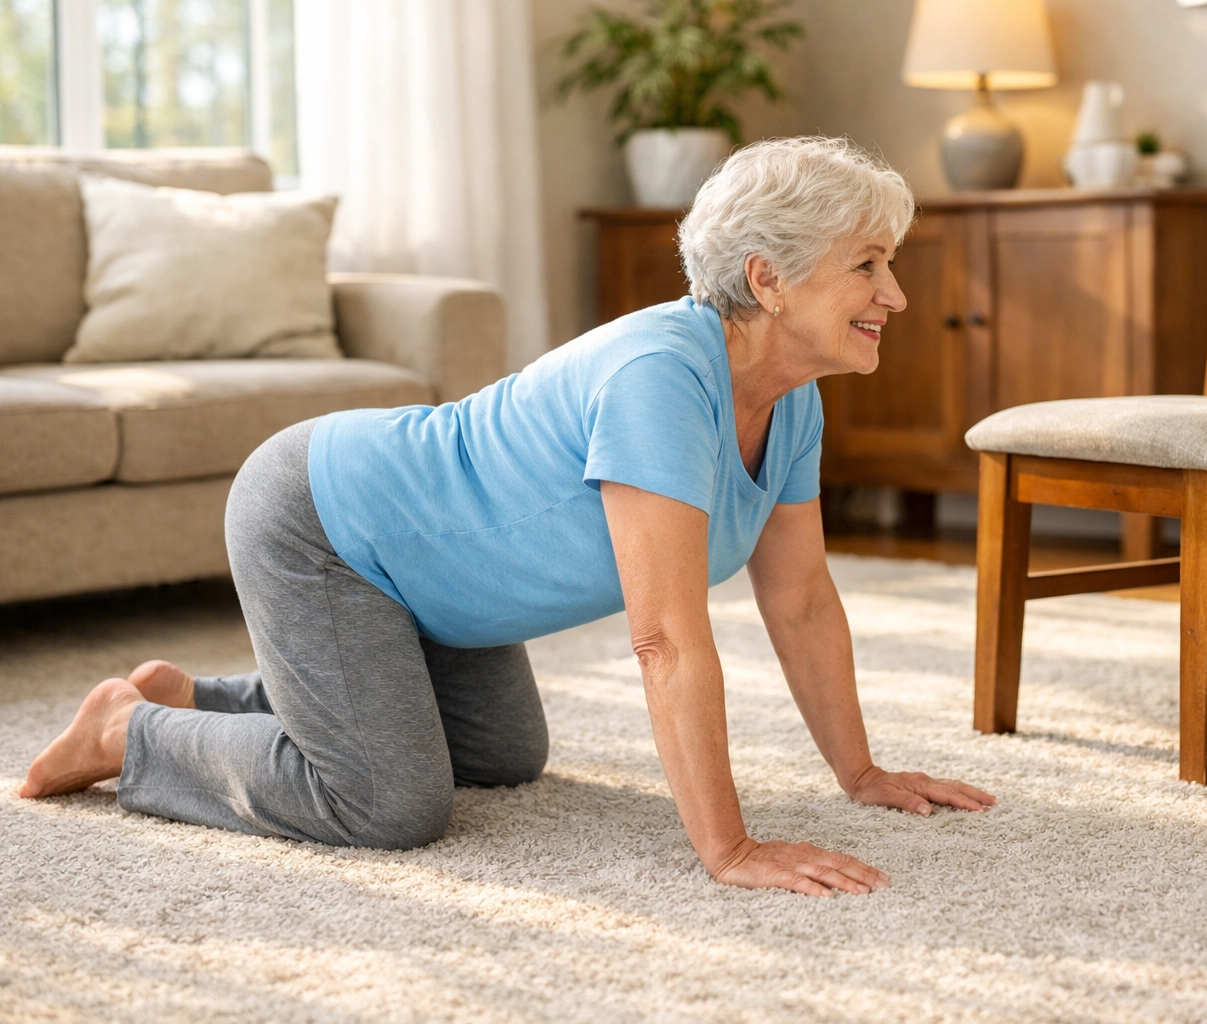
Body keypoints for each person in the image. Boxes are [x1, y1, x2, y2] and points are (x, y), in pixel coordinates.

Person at [21, 137, 995, 896]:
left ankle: (228, 693)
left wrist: (860, 771)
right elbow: (664, 640)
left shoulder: (792, 397)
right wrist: (728, 846)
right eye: (868, 265)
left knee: (500, 756)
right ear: (766, 276)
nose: (895, 294)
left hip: (430, 581)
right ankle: (129, 731)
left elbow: (804, 602)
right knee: (389, 802)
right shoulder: (660, 376)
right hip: (322, 520)